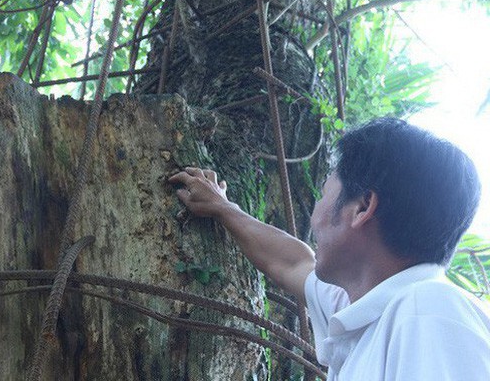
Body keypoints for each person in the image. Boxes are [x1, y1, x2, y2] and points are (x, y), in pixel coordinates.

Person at [168, 117, 490, 380]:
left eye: (324, 192)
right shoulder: (370, 307)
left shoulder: (428, 313)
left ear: (362, 207)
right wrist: (224, 209)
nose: (316, 215)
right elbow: (293, 263)